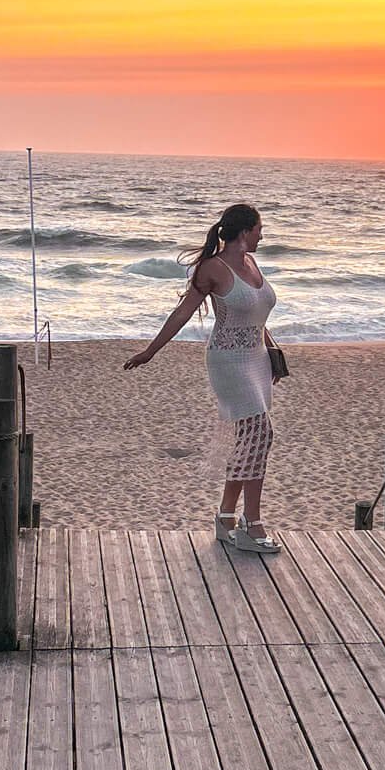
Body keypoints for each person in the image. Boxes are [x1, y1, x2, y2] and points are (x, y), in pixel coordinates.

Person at [123, 202, 285, 552]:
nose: (263, 235)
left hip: (256, 358)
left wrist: (274, 355)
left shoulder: (252, 263)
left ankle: (227, 517)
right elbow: (183, 312)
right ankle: (251, 526)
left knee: (250, 439)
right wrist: (151, 351)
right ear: (245, 232)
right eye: (259, 229)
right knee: (260, 433)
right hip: (228, 360)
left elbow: (257, 314)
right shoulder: (213, 268)